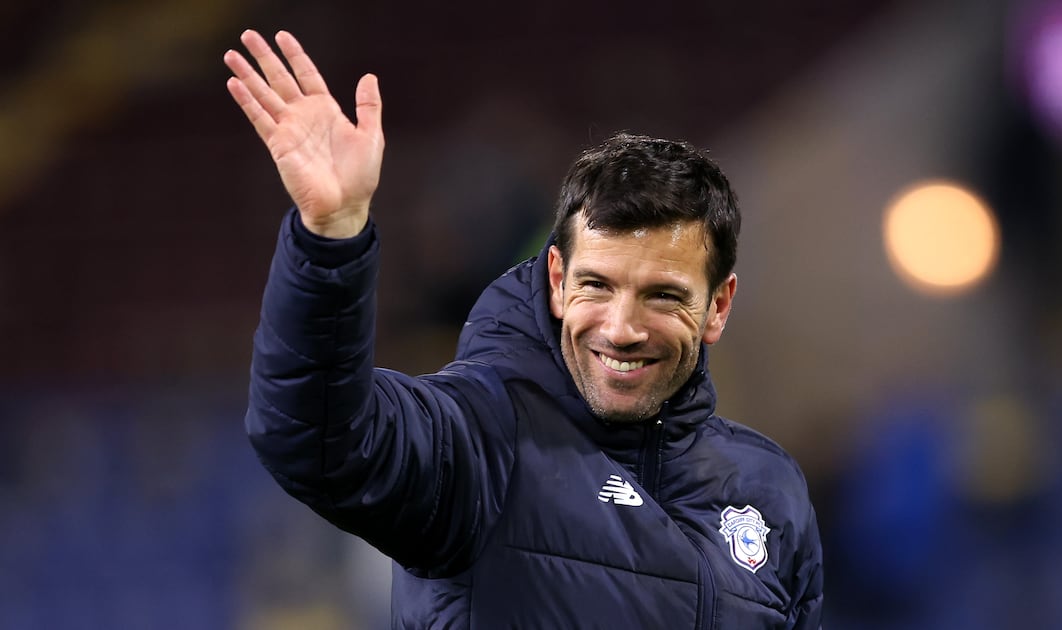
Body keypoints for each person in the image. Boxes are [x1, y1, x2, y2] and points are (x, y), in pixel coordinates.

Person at [224, 29, 823, 629]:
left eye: (662, 296)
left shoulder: (770, 488)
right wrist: (331, 238)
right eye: (597, 286)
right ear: (557, 280)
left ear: (718, 305)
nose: (621, 329)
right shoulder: (483, 439)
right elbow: (316, 437)